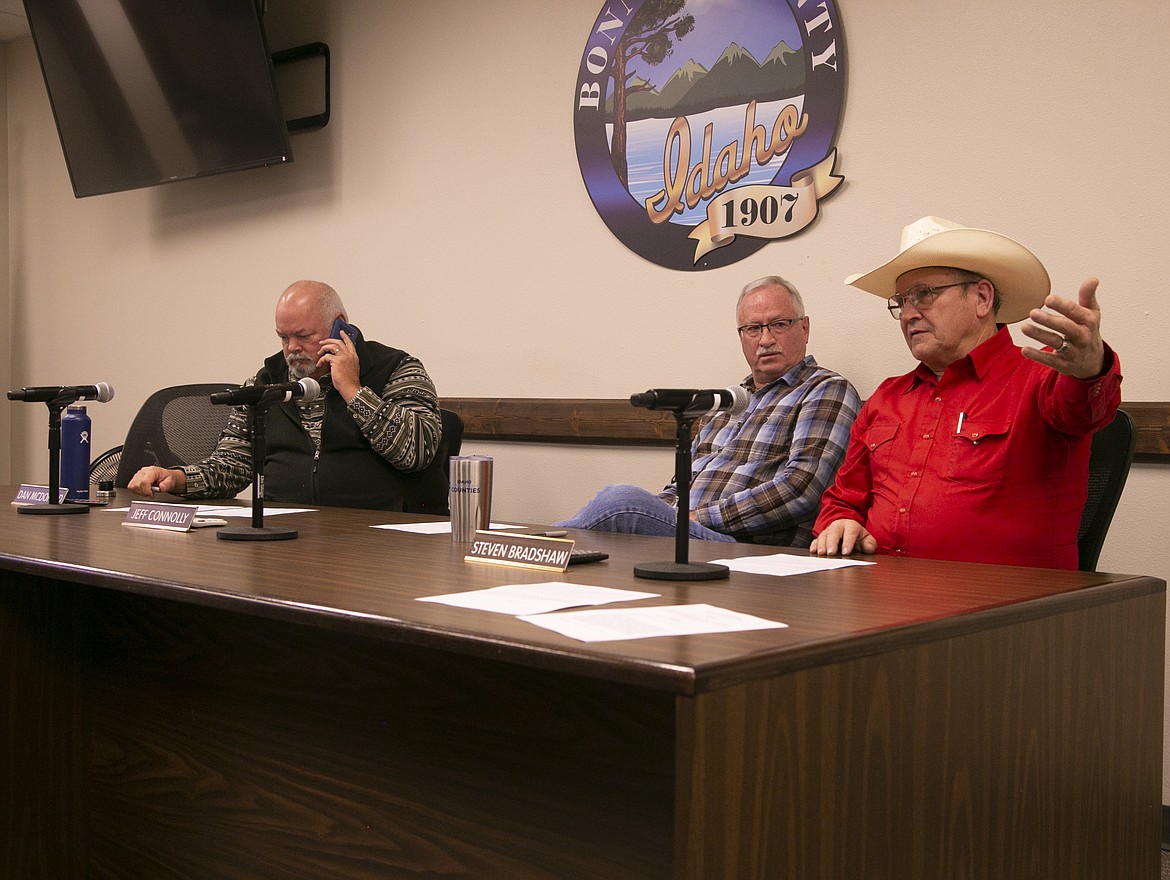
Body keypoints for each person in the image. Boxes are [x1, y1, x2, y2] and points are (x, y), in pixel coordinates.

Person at [810, 216, 1122, 569]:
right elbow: (843, 499)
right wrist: (840, 521)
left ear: (982, 298)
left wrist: (1090, 367)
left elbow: (1087, 409)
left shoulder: (1044, 376)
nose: (908, 314)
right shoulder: (887, 397)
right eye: (901, 301)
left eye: (924, 295)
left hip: (1009, 610)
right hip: (881, 599)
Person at [558, 276, 860, 546]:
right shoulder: (729, 400)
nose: (766, 340)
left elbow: (800, 491)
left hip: (746, 547)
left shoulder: (825, 389)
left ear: (804, 328)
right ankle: (543, 547)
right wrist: (659, 511)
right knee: (623, 514)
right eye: (753, 329)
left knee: (620, 501)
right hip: (689, 532)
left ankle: (540, 544)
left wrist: (691, 519)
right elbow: (680, 485)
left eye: (779, 325)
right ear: (741, 336)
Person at [128, 280, 444, 510]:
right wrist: (178, 478)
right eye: (283, 337)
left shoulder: (398, 369)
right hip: (287, 533)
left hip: (379, 539)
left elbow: (416, 453)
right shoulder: (266, 383)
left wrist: (352, 389)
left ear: (340, 328)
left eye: (303, 336)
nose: (291, 348)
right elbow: (232, 464)